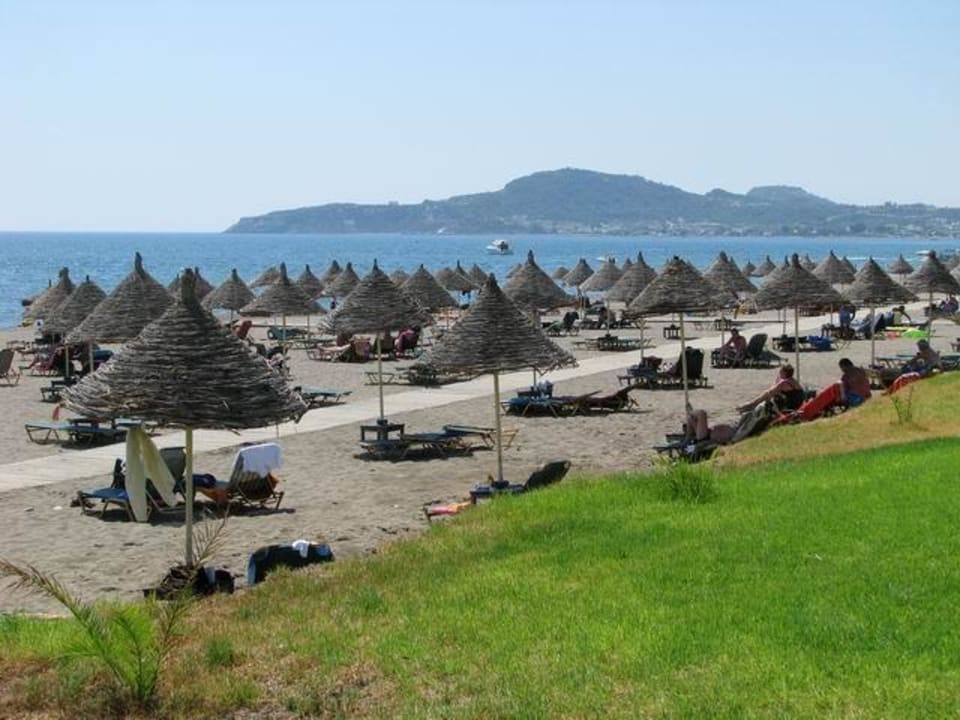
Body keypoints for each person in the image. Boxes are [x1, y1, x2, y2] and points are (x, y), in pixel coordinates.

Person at [791, 358, 872, 421]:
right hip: (868, 395)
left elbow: (843, 387)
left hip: (856, 398)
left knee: (834, 395)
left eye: (841, 368)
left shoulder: (847, 374)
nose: (841, 370)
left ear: (844, 366)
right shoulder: (860, 370)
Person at [736, 364, 805, 413]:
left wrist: (767, 394)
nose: (779, 372)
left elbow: (771, 391)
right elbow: (774, 387)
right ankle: (752, 405)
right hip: (796, 400)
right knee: (771, 394)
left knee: (768, 393)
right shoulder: (790, 379)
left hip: (794, 403)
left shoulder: (785, 382)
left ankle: (751, 405)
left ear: (784, 373)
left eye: (780, 371)